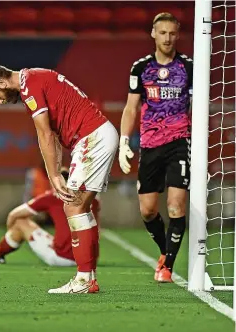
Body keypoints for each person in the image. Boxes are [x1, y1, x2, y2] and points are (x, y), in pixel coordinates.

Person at [0, 64, 118, 294]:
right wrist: (55, 170)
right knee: (81, 207)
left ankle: (83, 280)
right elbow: (52, 134)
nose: (1, 102)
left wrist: (53, 174)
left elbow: (44, 133)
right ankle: (88, 278)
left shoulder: (29, 85)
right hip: (96, 136)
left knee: (73, 206)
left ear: (2, 83)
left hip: (92, 137)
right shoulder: (33, 79)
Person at [119, 12, 192, 283]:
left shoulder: (188, 67)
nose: (167, 38)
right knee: (148, 210)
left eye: (172, 33)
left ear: (178, 35)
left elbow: (196, 104)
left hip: (179, 142)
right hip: (150, 144)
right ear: (153, 34)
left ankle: (167, 268)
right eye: (162, 33)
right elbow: (131, 107)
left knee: (176, 205)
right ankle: (166, 252)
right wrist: (124, 140)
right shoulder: (141, 68)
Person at [0, 167, 100, 267]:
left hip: (63, 258)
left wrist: (11, 233)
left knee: (20, 222)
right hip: (89, 259)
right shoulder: (92, 199)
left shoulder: (52, 196)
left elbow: (13, 215)